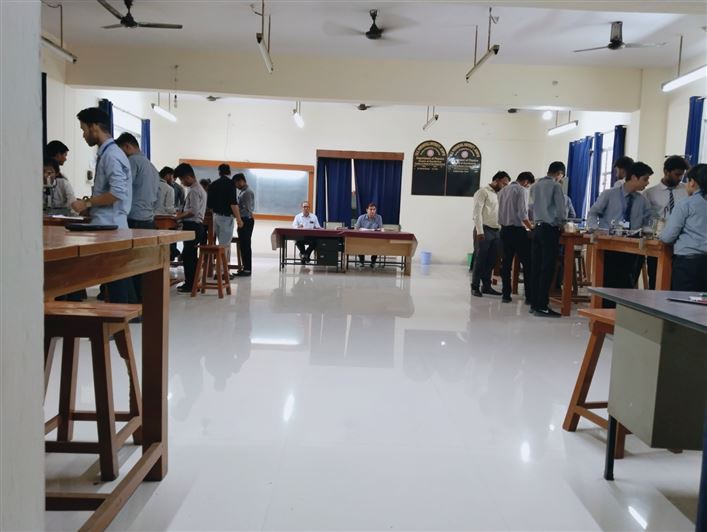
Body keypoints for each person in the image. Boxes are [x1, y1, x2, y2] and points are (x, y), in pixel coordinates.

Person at [71, 107, 132, 303]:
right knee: (114, 281)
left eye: (83, 129)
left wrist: (86, 202)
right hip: (108, 224)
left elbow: (117, 192)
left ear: (94, 127)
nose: (83, 135)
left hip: (110, 226)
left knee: (116, 281)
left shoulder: (112, 155)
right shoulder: (108, 154)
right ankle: (115, 327)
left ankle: (117, 327)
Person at [587, 161, 653, 306]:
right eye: (645, 179)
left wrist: (647, 231)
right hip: (610, 243)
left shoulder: (642, 200)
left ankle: (621, 311)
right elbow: (593, 213)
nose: (647, 183)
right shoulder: (609, 195)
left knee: (626, 281)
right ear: (634, 177)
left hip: (632, 245)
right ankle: (603, 310)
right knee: (608, 279)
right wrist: (594, 229)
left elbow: (649, 219)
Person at [644, 155, 689, 289]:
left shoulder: (687, 191)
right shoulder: (650, 193)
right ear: (666, 172)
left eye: (682, 175)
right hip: (658, 243)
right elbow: (646, 219)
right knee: (656, 280)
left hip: (680, 244)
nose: (679, 178)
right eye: (676, 174)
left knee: (677, 282)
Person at [660, 164, 707, 291]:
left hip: (689, 263)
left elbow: (667, 237)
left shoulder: (686, 204)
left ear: (692, 182)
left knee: (682, 306)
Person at [528, 161, 567, 317]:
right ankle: (543, 305)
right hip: (549, 229)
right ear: (559, 173)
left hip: (536, 228)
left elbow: (531, 208)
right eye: (561, 176)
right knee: (548, 268)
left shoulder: (535, 186)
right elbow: (560, 209)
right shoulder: (556, 186)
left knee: (535, 267)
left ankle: (534, 303)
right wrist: (562, 224)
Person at [471, 171, 510, 297]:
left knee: (492, 260)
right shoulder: (483, 192)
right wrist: (480, 231)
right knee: (480, 259)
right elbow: (477, 213)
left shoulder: (499, 194)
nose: (505, 186)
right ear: (496, 180)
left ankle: (486, 286)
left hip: (496, 230)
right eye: (504, 183)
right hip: (484, 230)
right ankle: (475, 286)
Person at [498, 171, 534, 303]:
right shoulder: (522, 190)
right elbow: (522, 214)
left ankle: (505, 295)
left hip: (504, 230)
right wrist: (531, 228)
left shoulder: (503, 190)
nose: (527, 187)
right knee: (527, 264)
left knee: (506, 264)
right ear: (525, 182)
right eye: (528, 185)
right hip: (518, 232)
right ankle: (529, 297)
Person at [174, 163, 207, 293]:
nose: (182, 183)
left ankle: (190, 284)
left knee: (189, 257)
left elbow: (193, 211)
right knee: (190, 255)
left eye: (182, 179)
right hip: (196, 226)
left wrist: (178, 217)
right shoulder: (198, 189)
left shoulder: (194, 190)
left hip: (193, 226)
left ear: (188, 177)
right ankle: (192, 283)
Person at [116, 132, 159, 230]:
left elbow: (121, 187)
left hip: (134, 220)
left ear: (127, 146)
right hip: (148, 220)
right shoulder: (152, 167)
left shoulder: (132, 161)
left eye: (120, 151)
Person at [207, 163, 239, 272]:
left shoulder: (213, 184)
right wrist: (239, 219)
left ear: (219, 172)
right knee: (224, 246)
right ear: (229, 172)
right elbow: (233, 204)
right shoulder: (231, 184)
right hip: (226, 218)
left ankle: (213, 269)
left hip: (214, 218)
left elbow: (209, 205)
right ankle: (221, 272)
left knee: (214, 244)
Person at [45, 140, 75, 212]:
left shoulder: (63, 182)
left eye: (50, 173)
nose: (65, 159)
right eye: (65, 155)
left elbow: (71, 200)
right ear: (58, 155)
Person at [233, 173, 254, 277]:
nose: (236, 185)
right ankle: (245, 268)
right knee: (243, 245)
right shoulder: (243, 192)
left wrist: (235, 213)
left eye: (236, 183)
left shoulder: (247, 193)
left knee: (245, 245)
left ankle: (247, 269)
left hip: (246, 220)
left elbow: (246, 210)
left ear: (241, 181)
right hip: (243, 220)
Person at [354, 202, 384, 267]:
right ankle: (361, 261)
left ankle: (373, 262)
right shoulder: (361, 217)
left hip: (375, 240)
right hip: (362, 239)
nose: (372, 211)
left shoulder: (379, 217)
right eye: (370, 209)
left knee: (378, 244)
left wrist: (381, 230)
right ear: (367, 210)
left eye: (374, 209)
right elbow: (356, 229)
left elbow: (381, 229)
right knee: (359, 243)